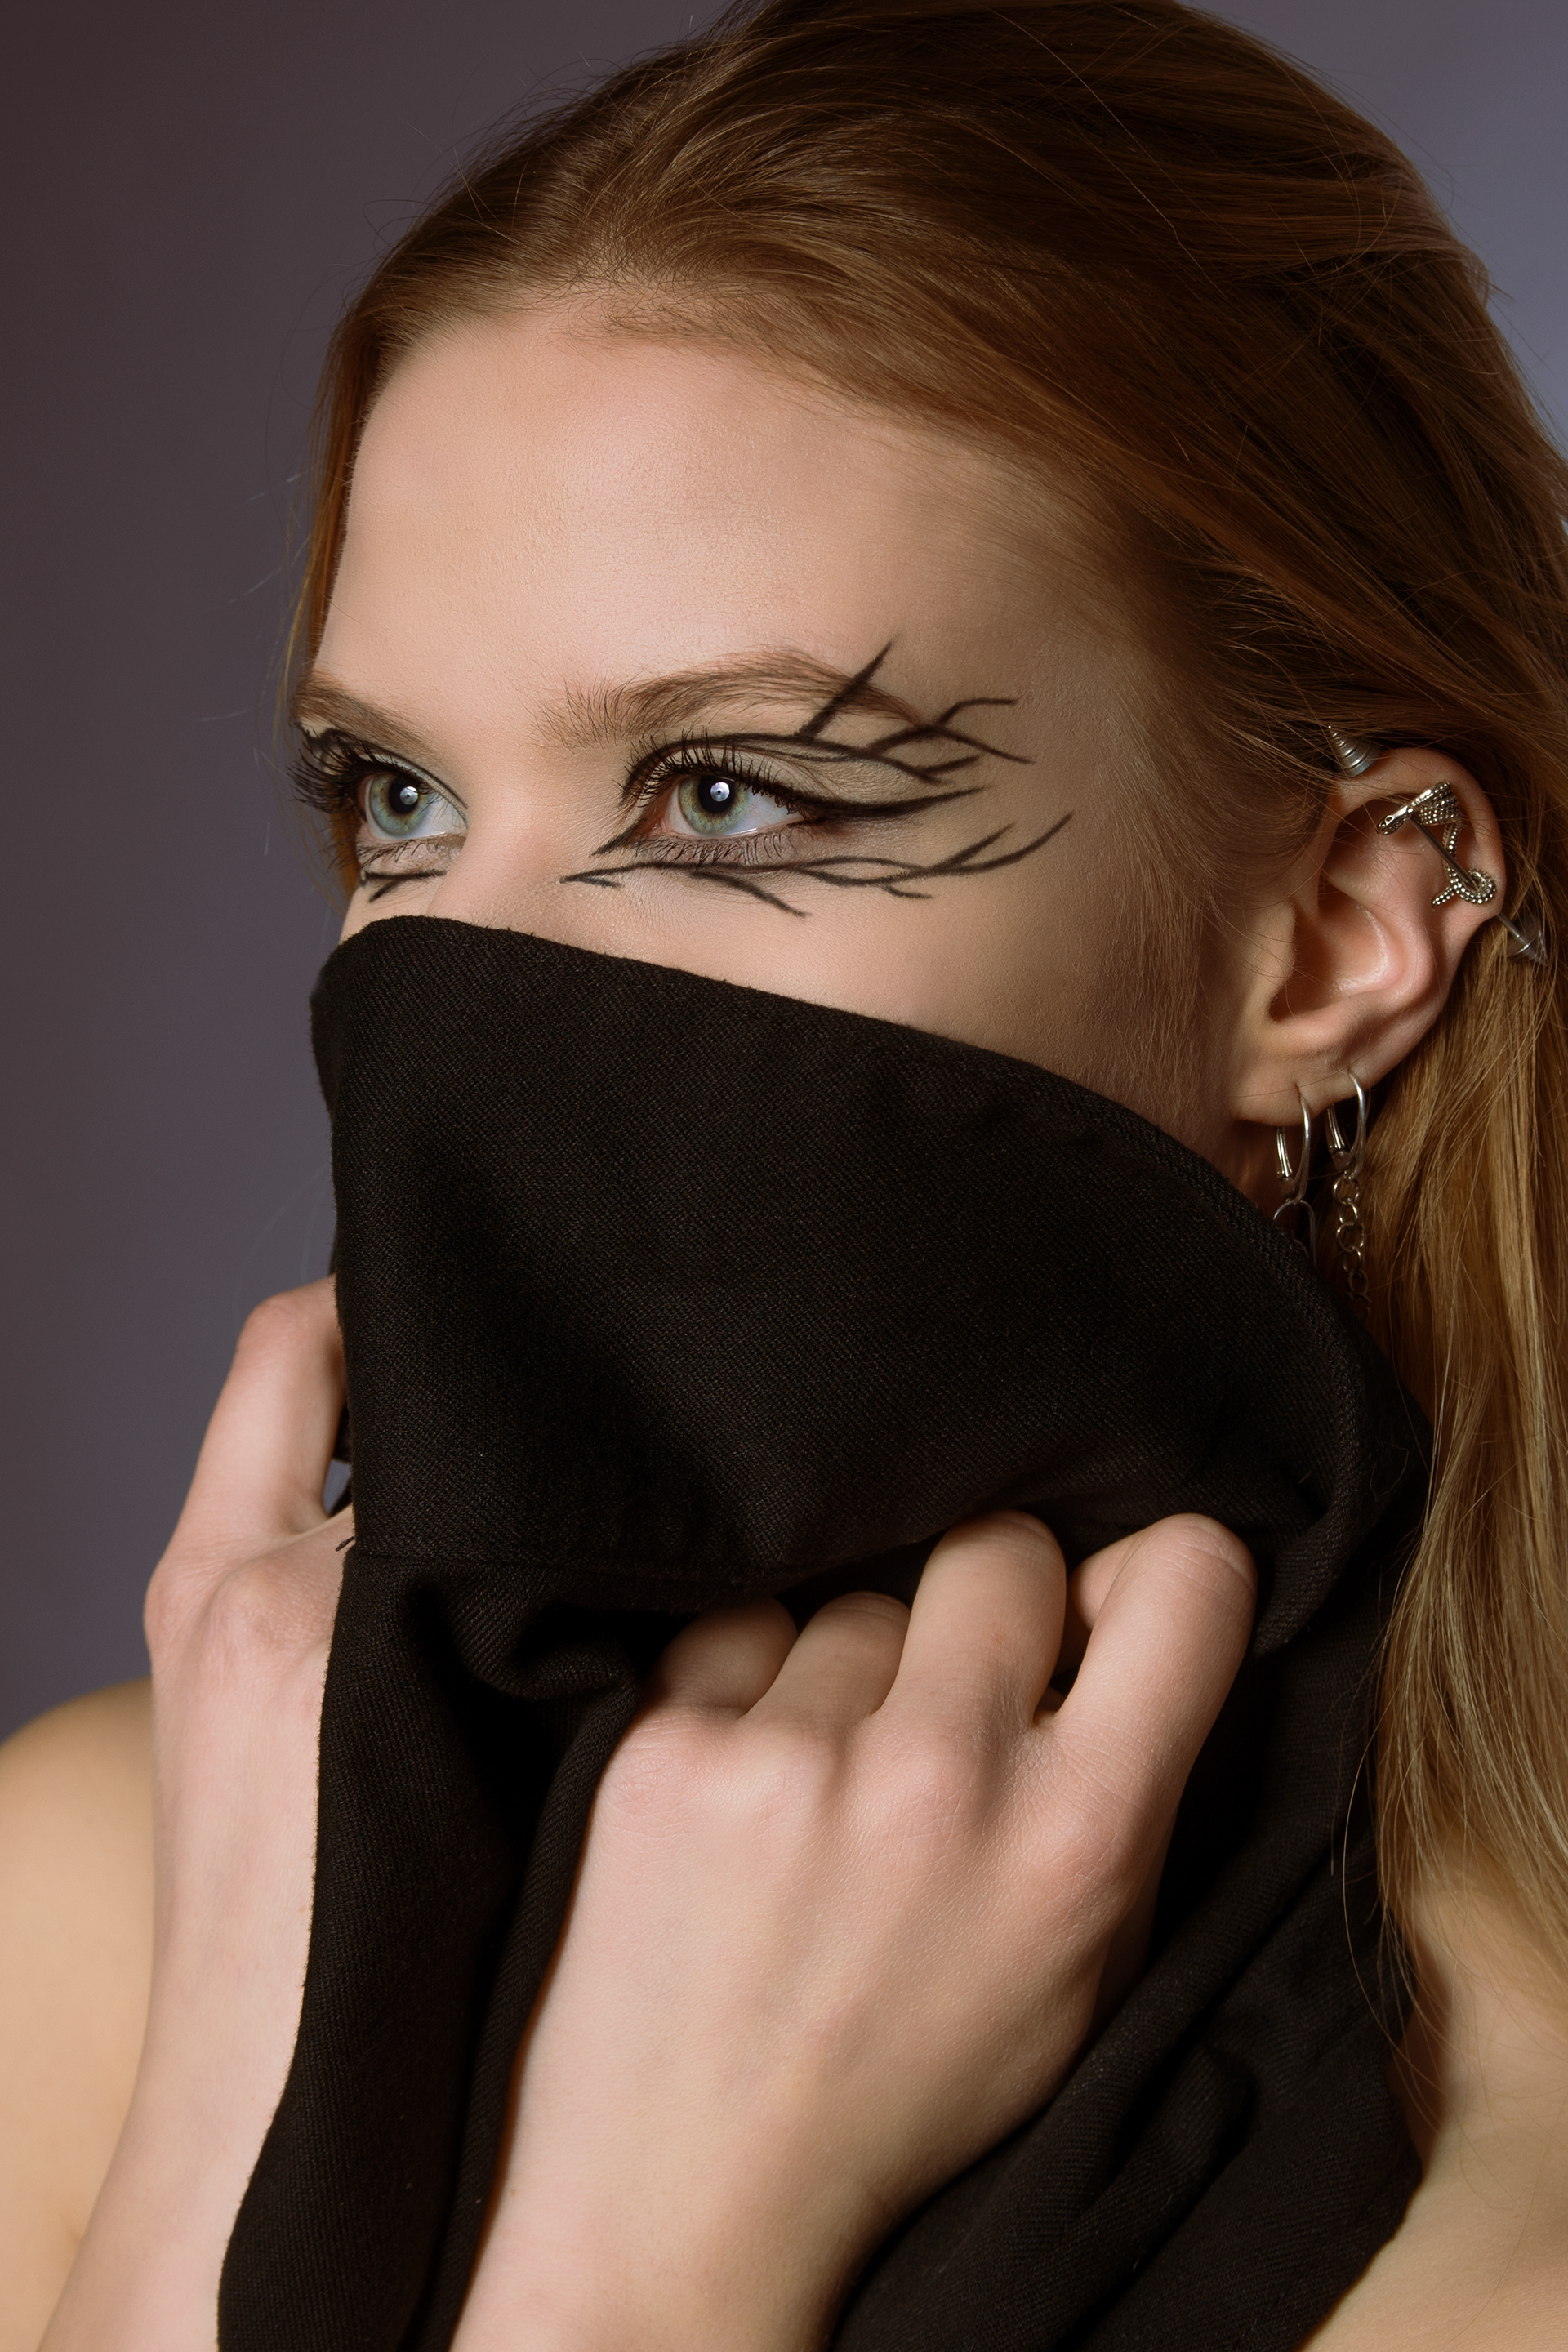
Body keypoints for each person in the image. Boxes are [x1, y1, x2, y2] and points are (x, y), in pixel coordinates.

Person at [4, 1, 1567, 2345]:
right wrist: (244, 2070)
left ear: (1340, 928)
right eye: (401, 800)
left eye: (729, 793)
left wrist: (631, 2269)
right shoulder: (123, 1894)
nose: (469, 986)